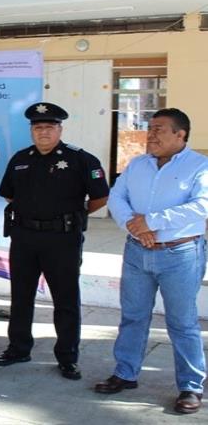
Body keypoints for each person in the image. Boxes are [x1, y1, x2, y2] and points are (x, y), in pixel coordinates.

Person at [95, 108, 207, 414]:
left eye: (159, 129)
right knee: (133, 316)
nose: (150, 135)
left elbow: (202, 206)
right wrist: (134, 225)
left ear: (180, 134)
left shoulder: (200, 166)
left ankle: (190, 385)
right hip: (137, 252)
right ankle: (125, 373)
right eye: (150, 128)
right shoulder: (137, 165)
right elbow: (117, 197)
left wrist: (153, 222)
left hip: (180, 254)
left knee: (182, 322)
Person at [0, 102, 109, 380]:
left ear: (60, 129)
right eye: (38, 127)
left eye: (49, 127)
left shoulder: (81, 160)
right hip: (24, 237)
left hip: (62, 239)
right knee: (21, 297)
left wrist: (70, 216)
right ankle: (18, 348)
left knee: (65, 300)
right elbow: (9, 194)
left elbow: (100, 198)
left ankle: (67, 357)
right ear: (31, 130)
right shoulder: (20, 159)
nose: (43, 132)